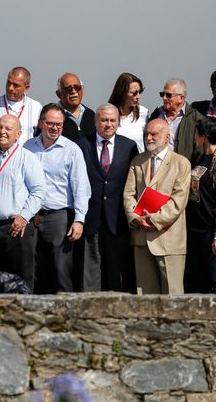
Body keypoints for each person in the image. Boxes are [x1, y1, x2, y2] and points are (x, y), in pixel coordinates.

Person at [23, 104, 90, 293]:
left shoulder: (71, 149)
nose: (54, 128)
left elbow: (81, 188)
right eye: (50, 123)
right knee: (35, 269)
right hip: (31, 216)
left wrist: (79, 220)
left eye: (59, 125)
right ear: (40, 123)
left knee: (61, 270)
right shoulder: (28, 147)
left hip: (59, 217)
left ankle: (65, 317)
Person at [0, 114, 46, 290]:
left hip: (16, 228)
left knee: (20, 279)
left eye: (8, 128)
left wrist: (24, 217)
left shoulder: (28, 158)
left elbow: (38, 191)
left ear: (18, 134)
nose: (2, 132)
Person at [123, 119, 191, 295]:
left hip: (169, 237)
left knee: (173, 295)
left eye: (154, 134)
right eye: (147, 134)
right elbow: (128, 194)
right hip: (141, 236)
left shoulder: (181, 163)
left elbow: (178, 201)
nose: (149, 138)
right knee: (145, 295)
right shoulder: (138, 161)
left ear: (167, 137)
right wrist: (136, 218)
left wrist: (153, 220)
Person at [75, 103, 139, 292]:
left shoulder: (129, 147)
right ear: (95, 122)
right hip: (90, 219)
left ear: (118, 123)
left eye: (112, 120)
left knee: (117, 274)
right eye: (104, 120)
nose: (108, 124)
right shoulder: (80, 145)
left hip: (118, 220)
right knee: (90, 275)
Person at [184, 117, 216, 294]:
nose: (194, 137)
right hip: (196, 227)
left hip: (211, 229)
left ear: (204, 135)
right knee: (198, 279)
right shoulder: (201, 157)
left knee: (215, 278)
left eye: (197, 133)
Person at [147, 78, 205, 163]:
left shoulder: (196, 118)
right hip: (157, 168)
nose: (164, 98)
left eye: (168, 95)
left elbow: (200, 150)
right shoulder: (156, 115)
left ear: (181, 98)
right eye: (162, 94)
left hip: (182, 170)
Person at [0, 67, 42, 146]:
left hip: (26, 156)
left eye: (16, 85)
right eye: (9, 83)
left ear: (26, 88)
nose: (10, 88)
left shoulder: (36, 107)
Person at [109, 72, 148, 153]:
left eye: (139, 92)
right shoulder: (108, 114)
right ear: (122, 93)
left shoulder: (143, 113)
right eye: (134, 93)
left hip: (138, 163)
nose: (138, 96)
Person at [55, 73, 95, 142]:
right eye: (68, 89)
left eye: (77, 87)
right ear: (59, 94)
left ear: (82, 90)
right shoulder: (51, 116)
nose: (73, 91)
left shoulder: (91, 115)